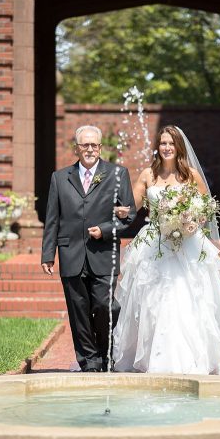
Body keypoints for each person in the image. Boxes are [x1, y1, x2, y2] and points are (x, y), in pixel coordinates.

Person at [111, 125, 220, 375]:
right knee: (153, 303)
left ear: (178, 147)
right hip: (155, 245)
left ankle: (192, 361)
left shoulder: (190, 175)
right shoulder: (148, 174)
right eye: (162, 143)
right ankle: (155, 361)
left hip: (187, 246)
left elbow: (206, 209)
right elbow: (131, 207)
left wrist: (191, 222)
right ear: (157, 147)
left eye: (171, 143)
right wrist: (110, 208)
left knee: (188, 300)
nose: (167, 147)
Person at [41, 125, 136, 372]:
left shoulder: (117, 174)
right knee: (78, 311)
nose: (90, 149)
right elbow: (52, 218)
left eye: (94, 145)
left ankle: (106, 354)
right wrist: (47, 254)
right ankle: (89, 361)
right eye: (85, 145)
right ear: (77, 148)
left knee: (105, 306)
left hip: (103, 253)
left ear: (100, 148)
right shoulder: (59, 178)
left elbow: (128, 215)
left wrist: (105, 229)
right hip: (70, 252)